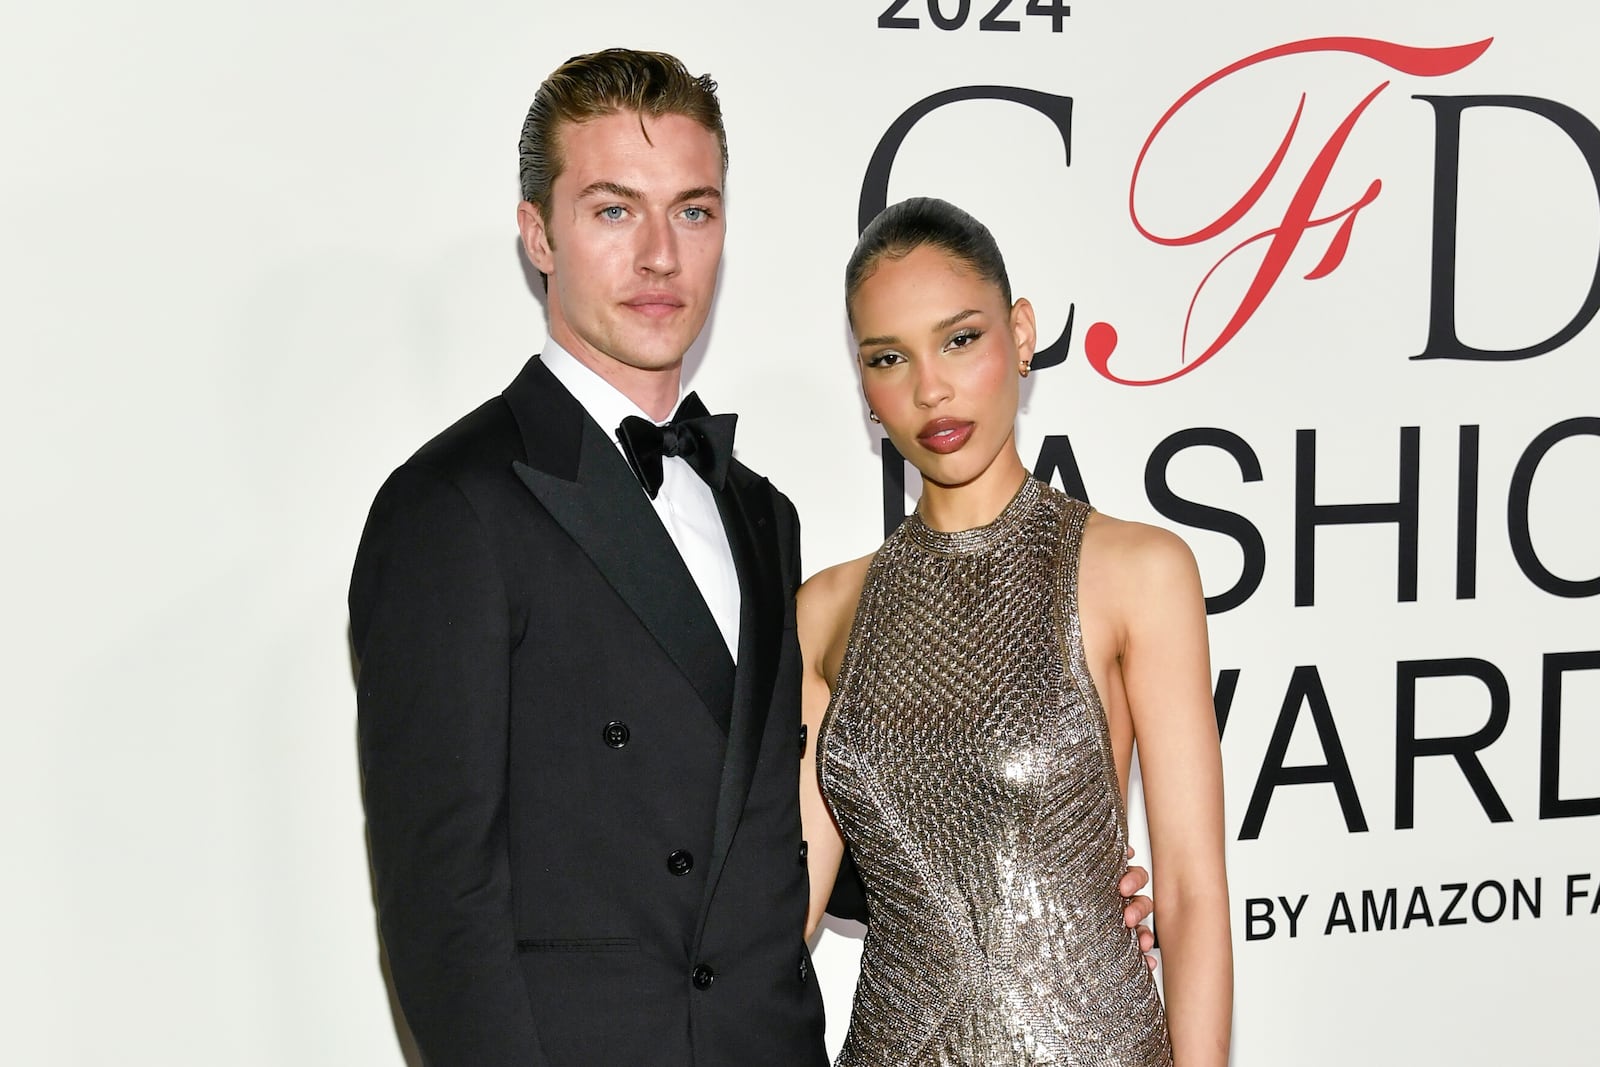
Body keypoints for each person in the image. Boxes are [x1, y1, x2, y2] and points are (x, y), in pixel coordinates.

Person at [350, 50, 1156, 1067]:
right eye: (612, 211)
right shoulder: (453, 507)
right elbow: (440, 913)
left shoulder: (758, 514)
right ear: (536, 235)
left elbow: (771, 829)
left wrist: (1035, 880)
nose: (658, 257)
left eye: (691, 211)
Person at [798, 198, 1232, 1066]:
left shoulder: (1135, 570)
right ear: (866, 387)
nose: (931, 388)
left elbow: (1188, 891)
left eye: (959, 339)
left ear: (1021, 331)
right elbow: (777, 919)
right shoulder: (826, 611)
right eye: (890, 358)